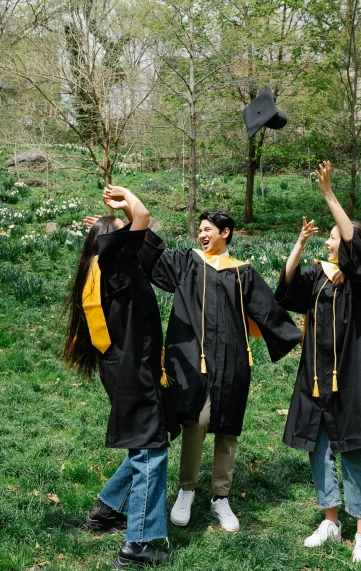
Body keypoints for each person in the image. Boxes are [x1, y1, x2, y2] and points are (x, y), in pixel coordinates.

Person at [104, 190, 302, 534]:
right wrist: (126, 222)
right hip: (190, 361)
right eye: (200, 228)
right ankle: (187, 490)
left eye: (208, 228)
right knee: (197, 420)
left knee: (227, 428)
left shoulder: (244, 273)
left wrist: (299, 336)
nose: (202, 233)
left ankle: (220, 497)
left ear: (225, 232)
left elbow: (269, 312)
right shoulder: (186, 262)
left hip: (233, 362)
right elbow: (150, 256)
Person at [275, 161, 361, 565]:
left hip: (349, 380)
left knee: (352, 450)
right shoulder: (320, 278)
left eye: (332, 238)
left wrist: (329, 195)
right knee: (318, 448)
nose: (330, 243)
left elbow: (357, 250)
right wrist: (300, 245)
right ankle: (330, 520)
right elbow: (285, 292)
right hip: (314, 379)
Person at [64, 189, 170, 569]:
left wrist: (110, 227)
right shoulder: (115, 265)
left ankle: (107, 508)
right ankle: (139, 542)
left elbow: (130, 234)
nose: (130, 235)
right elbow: (141, 219)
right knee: (150, 451)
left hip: (122, 369)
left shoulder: (99, 266)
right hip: (135, 370)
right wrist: (129, 201)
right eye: (121, 234)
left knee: (147, 441)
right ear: (116, 244)